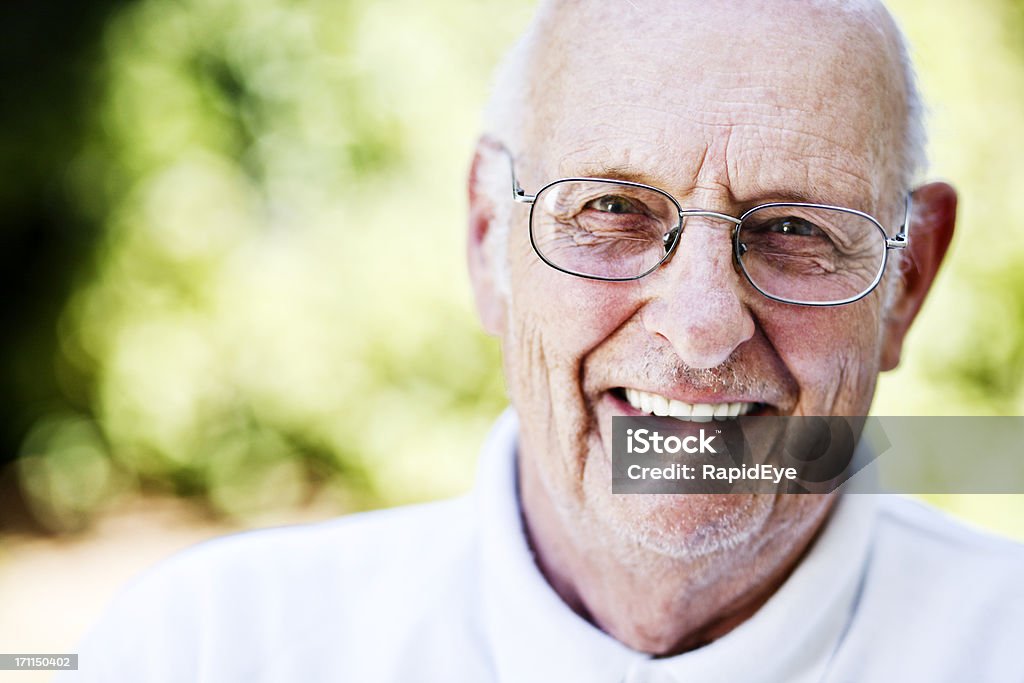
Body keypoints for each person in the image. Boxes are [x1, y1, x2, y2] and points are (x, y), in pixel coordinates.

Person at [66, 1, 1024, 681]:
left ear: (908, 281)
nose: (698, 330)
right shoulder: (203, 651)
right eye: (611, 208)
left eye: (798, 229)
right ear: (488, 239)